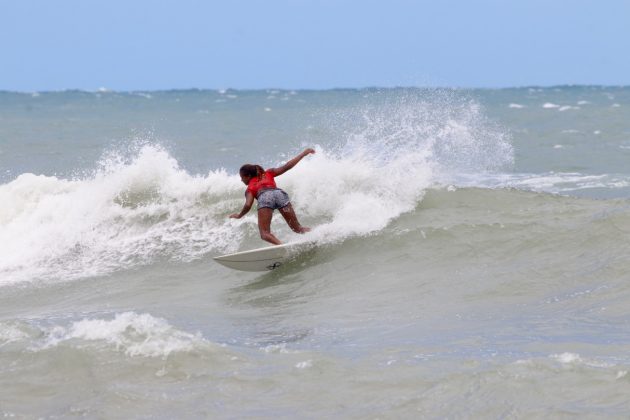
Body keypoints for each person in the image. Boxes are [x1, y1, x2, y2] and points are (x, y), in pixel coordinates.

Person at [229, 148, 315, 245]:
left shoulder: (250, 188)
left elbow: (248, 205)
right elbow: (287, 166)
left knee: (265, 233)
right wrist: (303, 154)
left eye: (242, 177)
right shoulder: (268, 173)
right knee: (298, 228)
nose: (241, 180)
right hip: (279, 194)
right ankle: (318, 234)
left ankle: (281, 247)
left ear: (248, 176)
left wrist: (239, 215)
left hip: (265, 197)